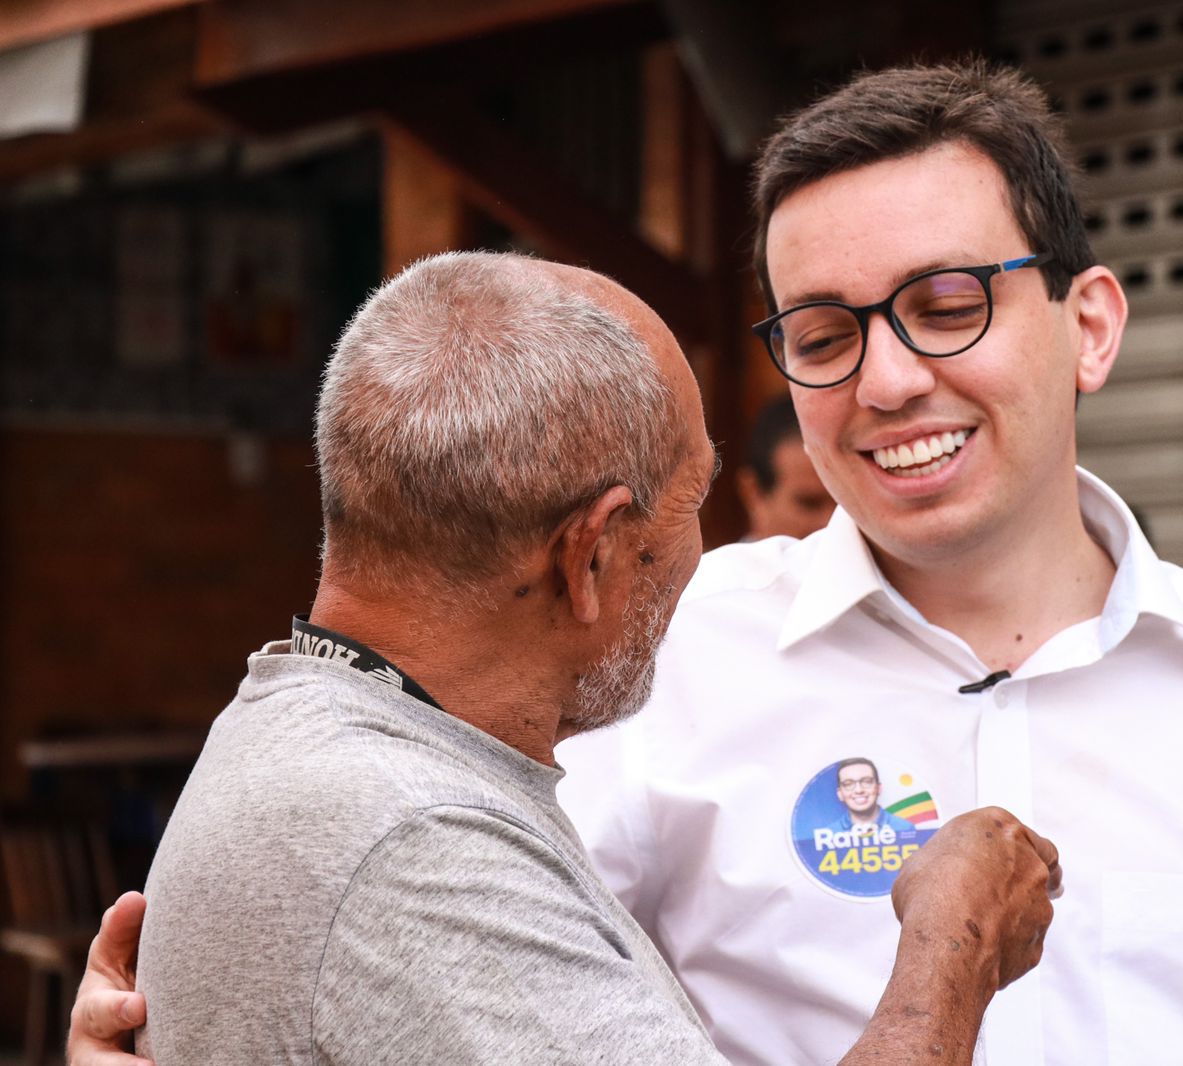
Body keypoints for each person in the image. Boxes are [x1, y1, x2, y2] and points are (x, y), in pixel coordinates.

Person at [549, 60, 1183, 1065]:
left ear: (1090, 328)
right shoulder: (667, 655)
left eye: (945, 305)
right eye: (824, 334)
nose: (884, 381)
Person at [65, 252, 1061, 1066]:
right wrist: (950, 952)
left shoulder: (299, 728)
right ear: (590, 555)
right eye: (689, 508)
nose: (702, 557)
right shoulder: (417, 847)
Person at [735, 394, 834, 539]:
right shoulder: (711, 562)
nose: (831, 523)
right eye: (810, 504)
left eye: (845, 506)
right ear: (753, 494)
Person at [832, 758, 916, 833]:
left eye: (867, 781)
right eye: (848, 784)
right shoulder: (828, 835)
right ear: (840, 794)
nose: (859, 790)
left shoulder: (905, 829)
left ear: (878, 788)